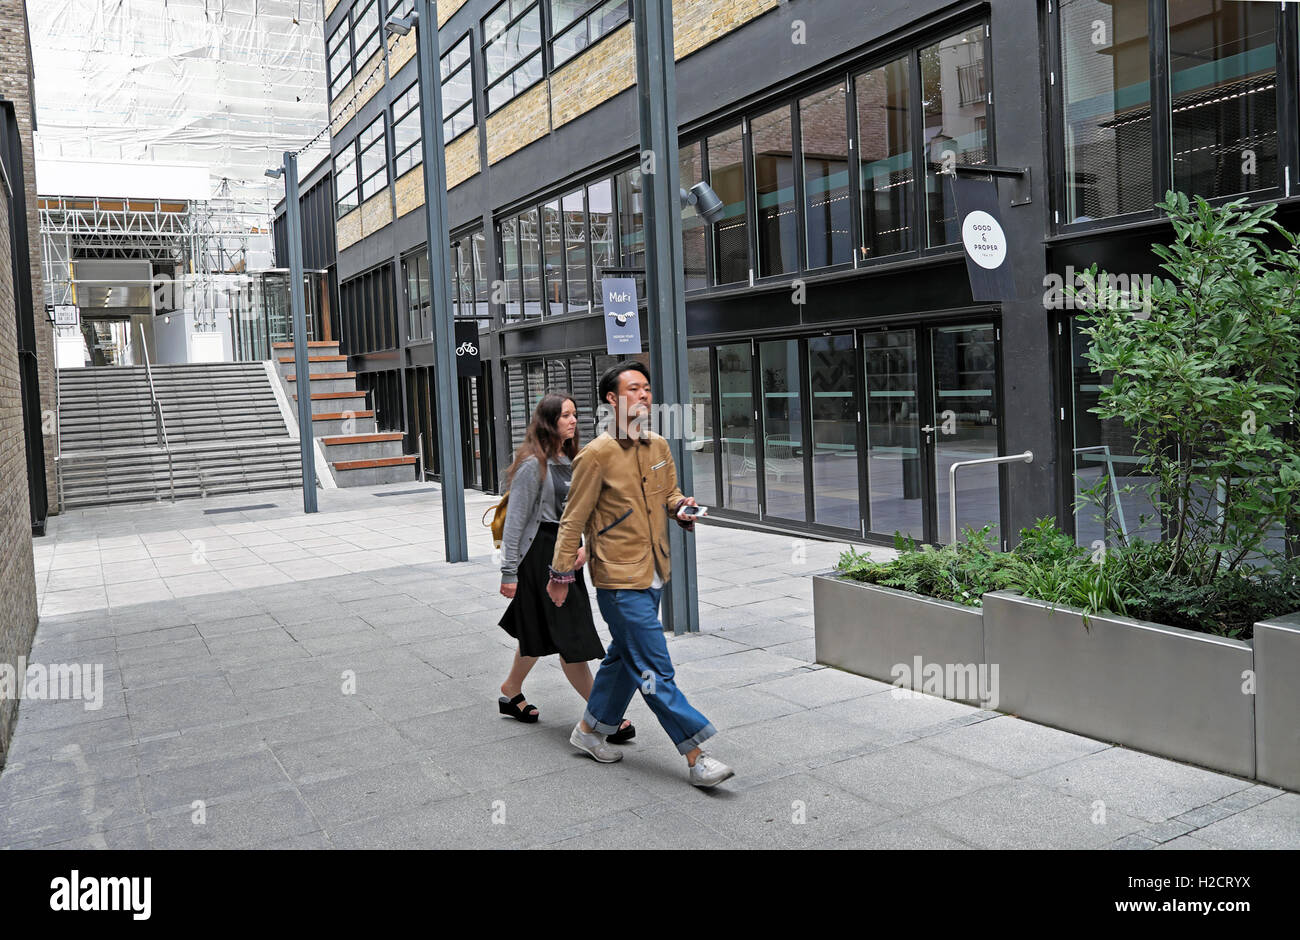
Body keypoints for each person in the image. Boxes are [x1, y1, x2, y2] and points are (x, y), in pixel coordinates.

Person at [547, 361, 734, 788]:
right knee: (654, 668)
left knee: (624, 659)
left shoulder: (659, 445)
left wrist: (681, 508)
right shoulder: (595, 455)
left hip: (656, 570)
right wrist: (560, 575)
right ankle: (696, 754)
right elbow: (572, 522)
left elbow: (668, 494)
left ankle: (591, 730)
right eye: (634, 388)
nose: (645, 395)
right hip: (617, 580)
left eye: (647, 388)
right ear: (612, 399)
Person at [497, 392, 633, 743]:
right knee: (571, 636)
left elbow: (584, 511)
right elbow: (515, 523)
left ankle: (511, 689)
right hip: (540, 557)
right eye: (566, 416)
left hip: (567, 552)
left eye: (575, 414)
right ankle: (602, 715)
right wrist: (509, 573)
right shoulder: (533, 465)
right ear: (549, 422)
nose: (574, 421)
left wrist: (585, 548)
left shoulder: (573, 459)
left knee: (539, 629)